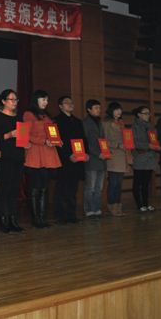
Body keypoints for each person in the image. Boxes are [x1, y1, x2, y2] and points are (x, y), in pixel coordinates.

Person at [23, 90, 61, 228]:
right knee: (35, 187)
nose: (46, 102)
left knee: (44, 188)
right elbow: (26, 134)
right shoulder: (28, 114)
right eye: (43, 99)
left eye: (47, 100)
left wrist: (57, 140)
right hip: (35, 153)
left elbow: (53, 133)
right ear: (36, 100)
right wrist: (43, 141)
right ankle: (36, 219)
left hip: (48, 154)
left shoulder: (47, 115)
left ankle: (43, 218)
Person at [0, 89, 25, 233]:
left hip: (18, 157)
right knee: (4, 189)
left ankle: (13, 220)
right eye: (11, 99)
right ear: (3, 101)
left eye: (16, 99)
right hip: (4, 158)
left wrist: (26, 143)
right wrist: (9, 134)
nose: (14, 102)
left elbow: (22, 137)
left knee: (14, 190)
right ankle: (3, 221)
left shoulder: (19, 118)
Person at [54, 96, 88, 224]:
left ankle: (71, 214)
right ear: (60, 106)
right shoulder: (56, 121)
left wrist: (85, 153)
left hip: (77, 158)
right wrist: (68, 155)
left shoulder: (77, 121)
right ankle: (61, 216)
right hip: (64, 159)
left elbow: (83, 139)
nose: (70, 104)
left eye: (71, 102)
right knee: (62, 188)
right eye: (66, 102)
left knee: (73, 188)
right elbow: (57, 142)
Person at [102, 102, 130, 217]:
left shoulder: (121, 123)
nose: (119, 112)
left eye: (120, 109)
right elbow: (104, 141)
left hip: (122, 156)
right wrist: (117, 145)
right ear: (111, 111)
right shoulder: (106, 123)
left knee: (119, 184)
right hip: (113, 156)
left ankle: (118, 206)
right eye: (116, 110)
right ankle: (111, 206)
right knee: (113, 183)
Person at [131, 106, 159, 212]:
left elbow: (154, 140)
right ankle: (139, 204)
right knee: (138, 182)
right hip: (139, 157)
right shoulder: (135, 127)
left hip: (150, 158)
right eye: (145, 113)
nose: (148, 115)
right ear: (139, 115)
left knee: (146, 183)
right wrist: (149, 146)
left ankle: (146, 204)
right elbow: (134, 143)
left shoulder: (150, 126)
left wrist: (156, 146)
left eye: (149, 113)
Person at [82, 99, 106, 218]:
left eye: (99, 108)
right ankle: (89, 209)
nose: (98, 110)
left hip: (102, 159)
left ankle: (96, 208)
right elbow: (87, 142)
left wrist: (106, 151)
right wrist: (98, 153)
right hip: (91, 159)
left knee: (99, 187)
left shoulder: (100, 122)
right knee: (90, 186)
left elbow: (103, 140)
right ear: (89, 109)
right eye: (96, 108)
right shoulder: (85, 123)